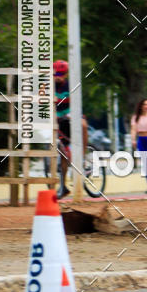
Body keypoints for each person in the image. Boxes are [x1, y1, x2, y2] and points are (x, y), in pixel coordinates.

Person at [53, 60, 88, 198]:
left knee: (83, 125)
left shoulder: (70, 84)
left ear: (66, 74)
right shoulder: (48, 86)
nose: (58, 76)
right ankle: (63, 186)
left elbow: (75, 100)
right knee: (61, 151)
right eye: (56, 74)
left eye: (61, 74)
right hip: (58, 118)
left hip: (71, 114)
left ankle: (83, 156)